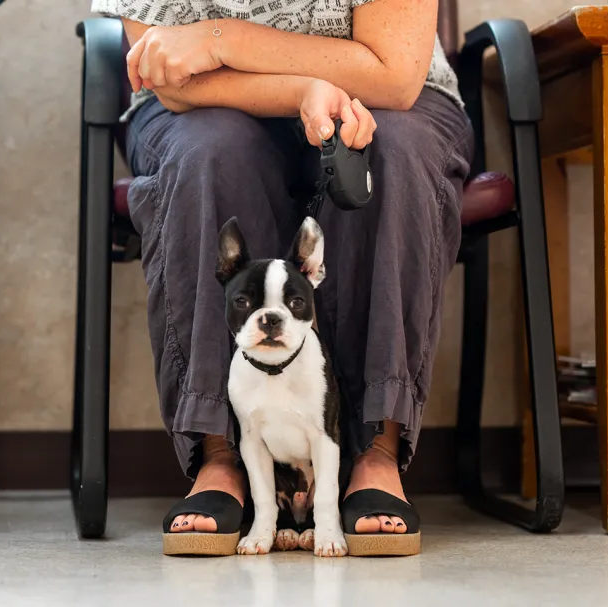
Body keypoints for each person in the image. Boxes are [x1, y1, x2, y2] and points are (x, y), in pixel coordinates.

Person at [92, 0, 473, 557]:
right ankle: (221, 454)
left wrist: (220, 40)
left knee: (396, 147)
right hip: (206, 107)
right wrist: (302, 89)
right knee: (211, 153)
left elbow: (392, 76)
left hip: (394, 102)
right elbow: (171, 78)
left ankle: (377, 449)